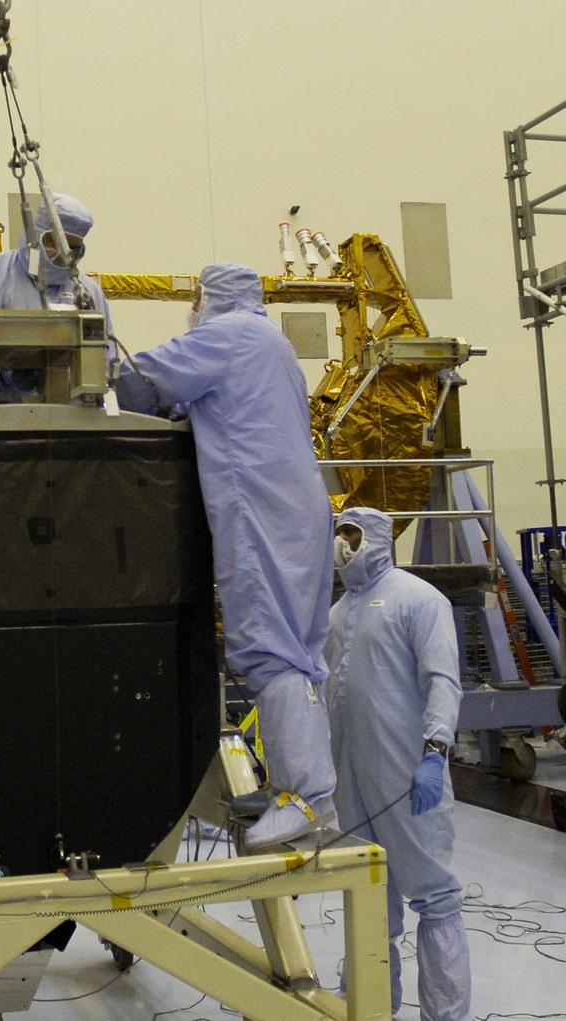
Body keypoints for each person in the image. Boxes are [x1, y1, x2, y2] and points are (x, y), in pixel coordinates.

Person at [116, 262, 337, 849]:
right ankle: (306, 791)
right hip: (298, 507)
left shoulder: (228, 335)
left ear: (210, 298)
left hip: (262, 508)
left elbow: (140, 381)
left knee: (269, 647)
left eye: (194, 300)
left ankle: (306, 799)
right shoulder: (272, 341)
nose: (192, 310)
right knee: (302, 653)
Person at [326, 506, 470, 1020]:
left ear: (379, 537)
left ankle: (447, 1015)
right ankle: (370, 1008)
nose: (343, 543)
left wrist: (435, 751)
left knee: (433, 895)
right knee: (367, 899)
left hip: (408, 775)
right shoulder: (338, 614)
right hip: (351, 780)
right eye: (339, 533)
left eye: (353, 533)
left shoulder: (419, 599)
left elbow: (443, 681)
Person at [0, 192, 115, 403]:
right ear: (36, 232)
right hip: (0, 421)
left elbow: (106, 364)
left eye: (72, 249)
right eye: (55, 242)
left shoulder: (89, 294)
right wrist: (6, 377)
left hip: (72, 423)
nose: (61, 254)